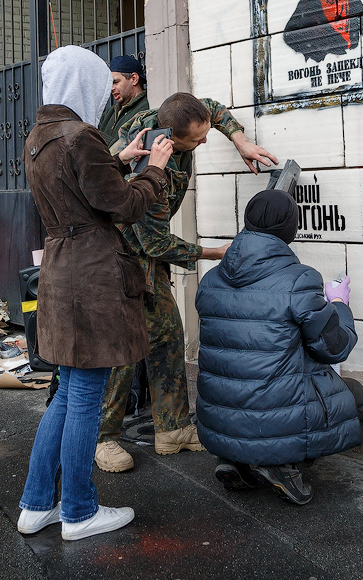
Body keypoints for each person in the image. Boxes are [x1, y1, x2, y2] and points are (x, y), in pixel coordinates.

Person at [16, 44, 174, 541]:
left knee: (66, 394)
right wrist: (155, 170)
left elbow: (80, 188)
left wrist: (117, 158)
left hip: (61, 269)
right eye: (99, 82)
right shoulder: (81, 135)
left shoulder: (40, 137)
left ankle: (37, 504)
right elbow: (122, 205)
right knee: (85, 395)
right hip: (93, 275)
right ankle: (80, 511)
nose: (105, 93)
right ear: (83, 84)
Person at [94, 93, 278, 473]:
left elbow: (208, 107)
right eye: (197, 140)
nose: (204, 142)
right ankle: (102, 437)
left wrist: (240, 140)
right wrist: (217, 253)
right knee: (124, 349)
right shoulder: (148, 170)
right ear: (172, 139)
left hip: (144, 253)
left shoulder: (173, 116)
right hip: (119, 256)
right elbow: (156, 242)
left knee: (166, 334)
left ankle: (173, 428)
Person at [195, 189, 363, 505]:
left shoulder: (212, 279)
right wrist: (339, 303)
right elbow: (335, 348)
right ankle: (281, 465)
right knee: (352, 394)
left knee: (256, 385)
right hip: (273, 416)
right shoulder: (299, 280)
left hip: (219, 416)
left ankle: (237, 460)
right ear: (290, 230)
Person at [97, 54, 148, 141]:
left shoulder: (146, 109)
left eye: (116, 82)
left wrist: (97, 137)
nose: (111, 88)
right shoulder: (110, 112)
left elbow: (131, 148)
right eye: (110, 84)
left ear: (134, 79)